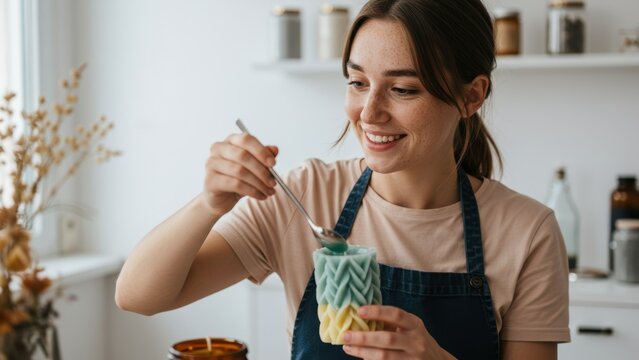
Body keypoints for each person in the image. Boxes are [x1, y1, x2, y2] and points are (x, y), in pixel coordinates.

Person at [115, 0, 570, 359]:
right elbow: (138, 296)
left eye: (403, 88)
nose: (369, 113)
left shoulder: (527, 231)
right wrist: (209, 203)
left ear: (471, 96)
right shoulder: (305, 197)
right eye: (357, 82)